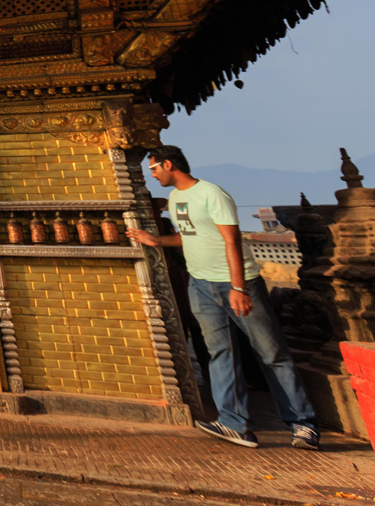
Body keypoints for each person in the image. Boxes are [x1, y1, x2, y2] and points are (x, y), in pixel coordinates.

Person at [128, 144, 317, 451]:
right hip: (200, 285)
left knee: (270, 353)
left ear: (168, 164)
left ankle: (302, 423)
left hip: (236, 283)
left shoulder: (212, 194)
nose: (152, 174)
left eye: (154, 169)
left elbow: (231, 240)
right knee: (220, 354)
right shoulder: (177, 199)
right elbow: (188, 236)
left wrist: (239, 287)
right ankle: (234, 422)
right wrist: (157, 240)